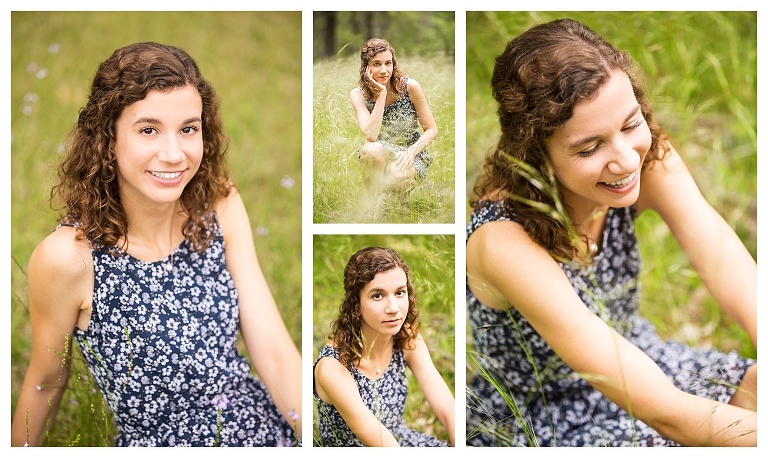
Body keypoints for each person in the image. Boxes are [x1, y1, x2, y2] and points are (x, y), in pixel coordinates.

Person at [466, 18, 757, 447]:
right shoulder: (502, 240)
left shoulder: (646, 156)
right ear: (537, 153)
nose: (625, 160)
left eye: (630, 124)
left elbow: (721, 256)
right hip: (546, 417)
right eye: (590, 147)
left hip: (638, 357)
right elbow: (666, 412)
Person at [11, 42, 302, 447]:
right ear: (108, 140)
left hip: (265, 429)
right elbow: (45, 383)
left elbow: (274, 351)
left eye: (188, 129)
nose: (173, 153)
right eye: (149, 129)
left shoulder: (219, 204)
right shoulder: (69, 258)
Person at [313, 247, 455, 446]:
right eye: (377, 296)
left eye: (399, 292)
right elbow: (381, 443)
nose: (394, 308)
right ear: (356, 303)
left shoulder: (407, 339)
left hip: (400, 440)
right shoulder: (333, 367)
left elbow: (448, 409)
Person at [350, 38, 438, 216]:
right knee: (369, 150)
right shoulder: (357, 94)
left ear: (393, 64)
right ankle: (373, 206)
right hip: (381, 150)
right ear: (366, 68)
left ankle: (401, 203)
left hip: (410, 151)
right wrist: (381, 95)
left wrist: (411, 152)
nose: (384, 70)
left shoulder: (410, 86)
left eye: (388, 63)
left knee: (396, 175)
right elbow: (371, 135)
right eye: (376, 64)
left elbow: (431, 130)